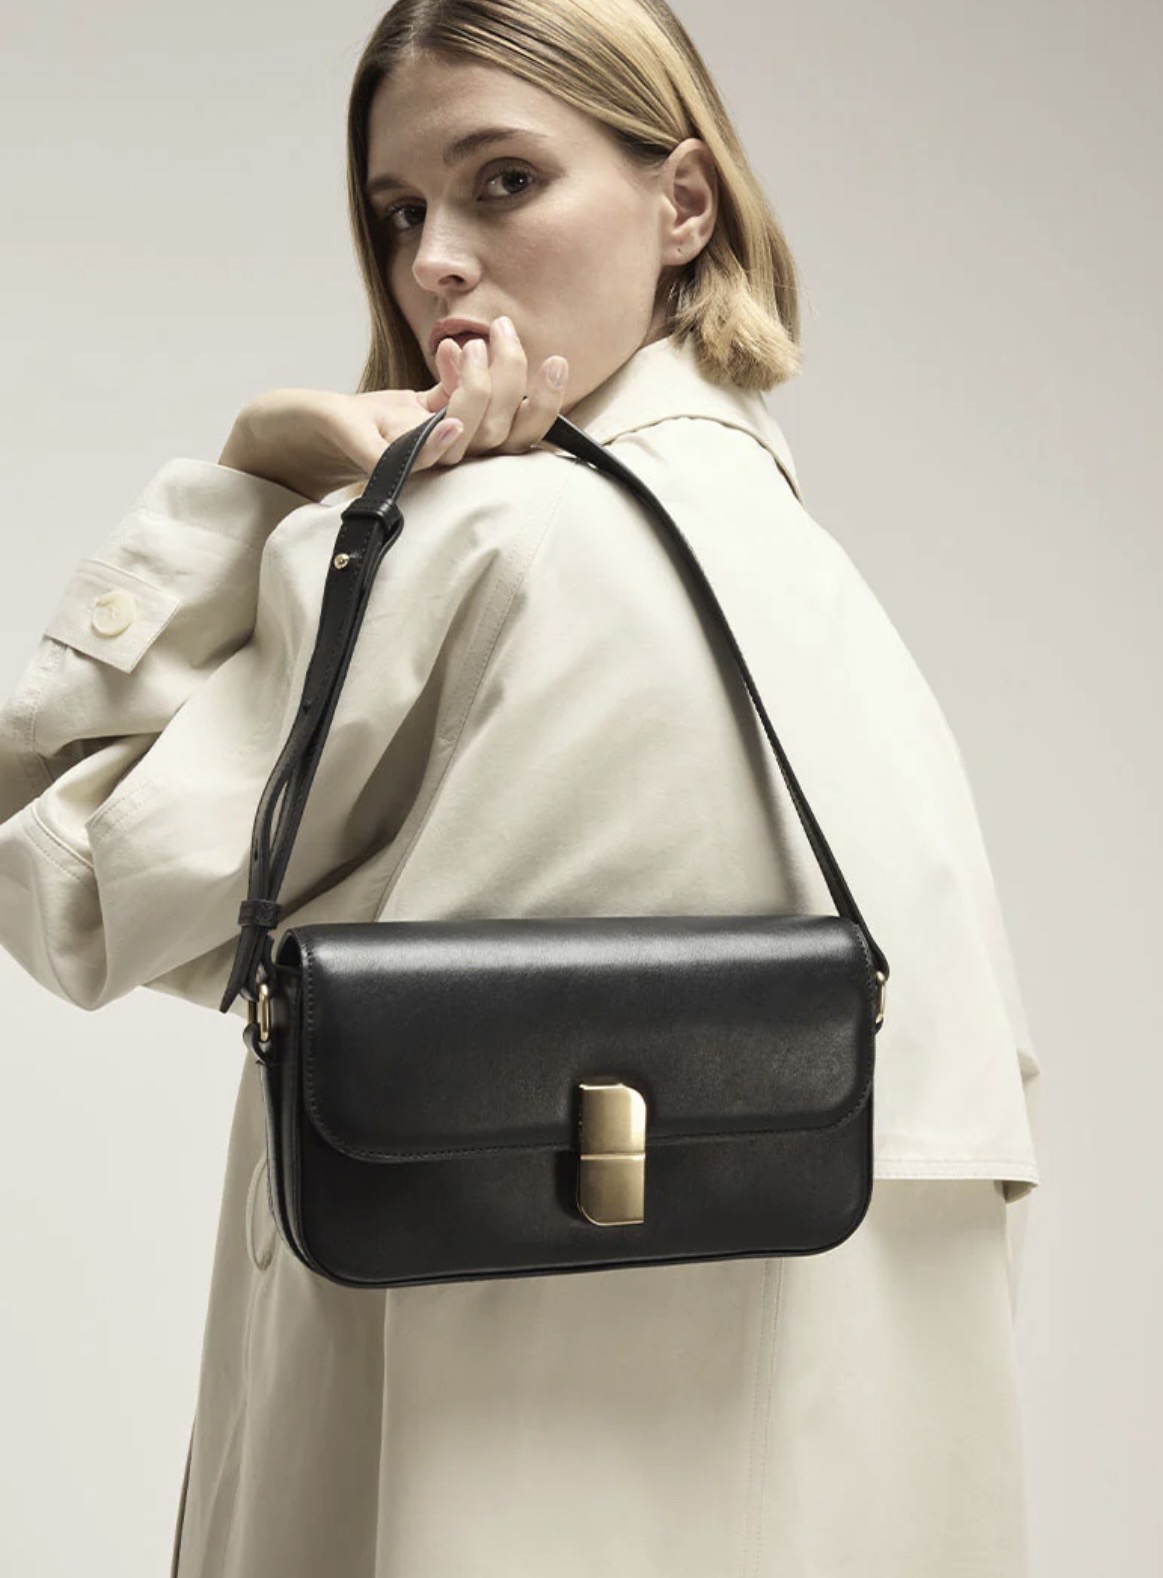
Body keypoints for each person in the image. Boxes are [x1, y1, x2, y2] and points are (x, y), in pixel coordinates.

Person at [0, 2, 1042, 1574]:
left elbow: (61, 876)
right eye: (396, 212)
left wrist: (257, 471)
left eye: (503, 181)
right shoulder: (827, 599)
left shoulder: (475, 542)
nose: (432, 262)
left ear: (682, 203)